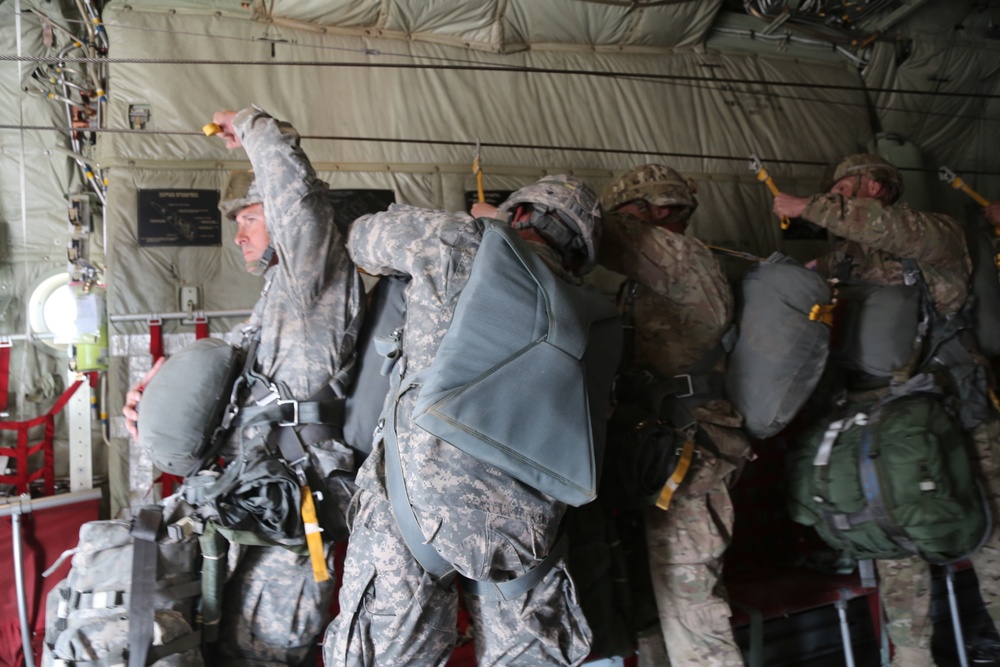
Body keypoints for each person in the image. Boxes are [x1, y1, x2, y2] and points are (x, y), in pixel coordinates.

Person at [323, 176, 603, 667]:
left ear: (516, 215)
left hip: (409, 513)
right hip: (526, 537)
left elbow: (361, 239)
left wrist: (478, 225)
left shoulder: (456, 238)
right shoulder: (596, 314)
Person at [123, 106, 364, 666]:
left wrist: (255, 127)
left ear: (280, 220)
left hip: (290, 525)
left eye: (248, 219)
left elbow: (301, 204)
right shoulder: (279, 300)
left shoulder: (311, 279)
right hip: (254, 505)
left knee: (258, 655)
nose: (238, 236)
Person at [775, 153, 1000, 666]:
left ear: (876, 188)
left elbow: (889, 231)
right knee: (894, 544)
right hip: (881, 430)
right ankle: (913, 656)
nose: (836, 195)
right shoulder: (848, 261)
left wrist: (808, 206)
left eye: (844, 187)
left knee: (993, 536)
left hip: (956, 415)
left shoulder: (934, 234)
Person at [599, 164, 751, 667]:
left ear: (655, 211)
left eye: (626, 215)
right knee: (656, 601)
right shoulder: (644, 282)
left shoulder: (684, 258)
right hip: (658, 451)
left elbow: (599, 235)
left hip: (693, 452)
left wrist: (516, 219)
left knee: (693, 608)